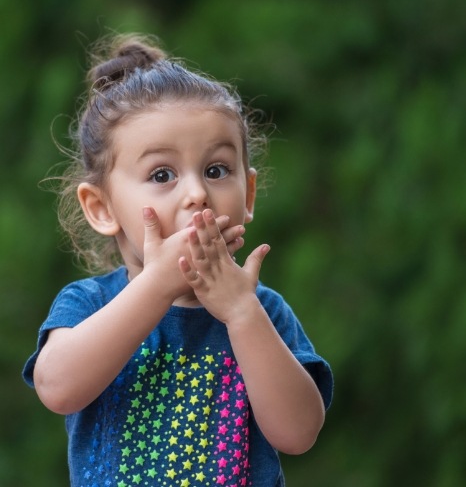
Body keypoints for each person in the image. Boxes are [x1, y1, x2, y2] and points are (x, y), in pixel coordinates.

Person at [23, 33, 333, 487]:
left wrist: (241, 313)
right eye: (162, 174)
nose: (196, 193)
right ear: (102, 208)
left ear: (247, 195)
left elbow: (299, 432)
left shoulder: (261, 311)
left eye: (216, 170)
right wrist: (157, 286)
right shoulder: (89, 303)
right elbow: (57, 388)